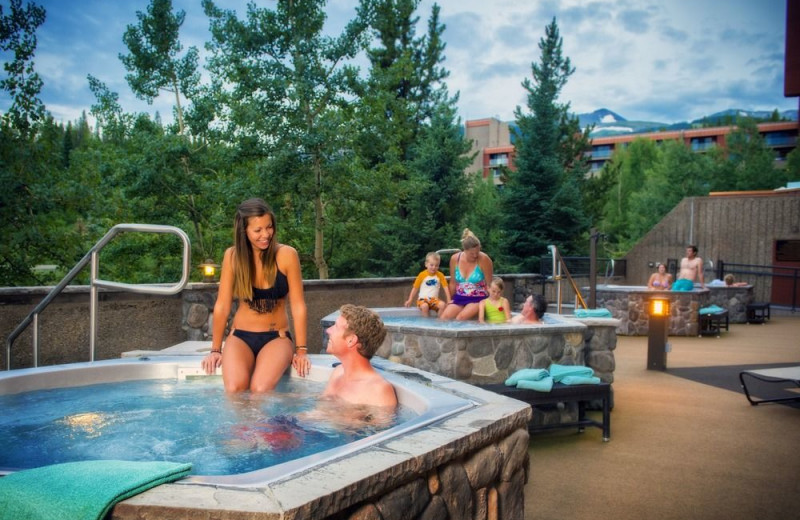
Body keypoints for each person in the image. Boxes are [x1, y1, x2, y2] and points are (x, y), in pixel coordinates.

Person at [201, 198, 310, 393]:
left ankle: (261, 426)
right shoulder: (232, 257)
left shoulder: (287, 255)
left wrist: (301, 351)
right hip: (240, 336)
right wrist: (215, 350)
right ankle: (237, 426)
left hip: (277, 337)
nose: (266, 234)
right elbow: (222, 306)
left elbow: (298, 306)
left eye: (269, 227)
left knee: (259, 389)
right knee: (234, 389)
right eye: (258, 230)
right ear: (244, 231)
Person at [323, 304, 397, 408]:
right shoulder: (338, 372)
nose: (328, 330)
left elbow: (385, 424)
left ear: (351, 340)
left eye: (336, 327)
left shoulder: (378, 390)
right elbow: (319, 413)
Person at [439, 228, 493, 321]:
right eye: (472, 253)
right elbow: (452, 283)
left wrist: (494, 303)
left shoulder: (484, 259)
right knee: (444, 317)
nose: (475, 255)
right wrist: (449, 300)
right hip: (460, 297)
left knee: (461, 318)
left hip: (478, 298)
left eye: (477, 252)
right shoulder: (455, 259)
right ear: (464, 250)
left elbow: (490, 285)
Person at [404, 252, 451, 316]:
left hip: (434, 300)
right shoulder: (422, 275)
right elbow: (415, 288)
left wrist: (448, 300)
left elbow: (446, 287)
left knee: (443, 305)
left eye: (436, 265)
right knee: (425, 306)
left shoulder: (440, 275)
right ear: (426, 264)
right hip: (422, 300)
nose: (434, 267)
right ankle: (425, 323)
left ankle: (439, 322)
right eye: (431, 265)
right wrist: (410, 299)